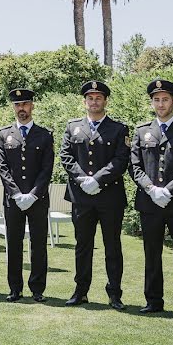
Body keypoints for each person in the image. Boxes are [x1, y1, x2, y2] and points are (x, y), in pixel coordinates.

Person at [129, 79, 173, 318]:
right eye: (157, 100)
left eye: (165, 99)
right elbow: (135, 167)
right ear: (152, 102)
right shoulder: (141, 131)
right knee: (152, 253)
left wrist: (169, 190)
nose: (161, 104)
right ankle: (153, 300)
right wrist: (150, 188)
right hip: (149, 203)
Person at [60, 80, 130, 310]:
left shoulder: (119, 129)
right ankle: (81, 291)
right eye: (90, 98)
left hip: (109, 197)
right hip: (81, 197)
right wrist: (83, 180)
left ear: (105, 101)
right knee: (83, 246)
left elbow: (121, 159)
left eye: (98, 98)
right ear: (84, 101)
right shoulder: (73, 127)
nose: (94, 101)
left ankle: (114, 294)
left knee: (112, 246)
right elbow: (66, 156)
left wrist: (98, 180)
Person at [0, 88, 54, 302]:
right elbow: (3, 168)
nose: (22, 108)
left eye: (25, 104)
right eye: (18, 105)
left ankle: (37, 289)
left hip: (38, 200)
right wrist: (17, 194)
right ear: (13, 107)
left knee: (38, 244)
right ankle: (15, 288)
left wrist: (33, 194)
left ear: (32, 106)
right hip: (13, 201)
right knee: (14, 243)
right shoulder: (4, 134)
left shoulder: (45, 135)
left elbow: (47, 169)